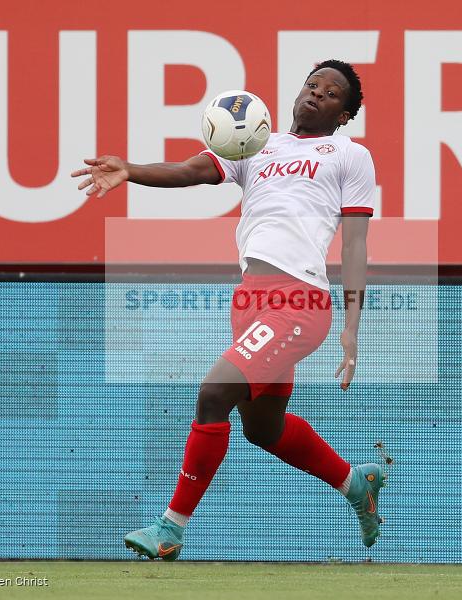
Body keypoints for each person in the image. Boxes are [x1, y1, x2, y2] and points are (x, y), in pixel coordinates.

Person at [72, 59, 384, 560]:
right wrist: (130, 170)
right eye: (312, 85)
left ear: (345, 114)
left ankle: (171, 528)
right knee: (264, 429)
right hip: (251, 300)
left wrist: (351, 327)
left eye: (331, 94)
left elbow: (354, 246)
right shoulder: (257, 143)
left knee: (214, 393)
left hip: (299, 302)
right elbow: (191, 170)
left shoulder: (348, 155)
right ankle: (355, 484)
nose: (316, 95)